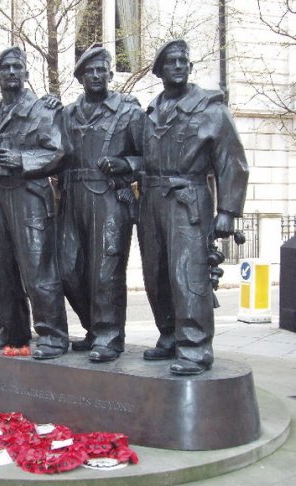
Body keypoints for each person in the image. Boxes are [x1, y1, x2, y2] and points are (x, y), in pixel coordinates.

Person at [140, 40, 249, 375]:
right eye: (170, 61)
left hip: (188, 199)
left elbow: (233, 162)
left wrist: (227, 212)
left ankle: (196, 347)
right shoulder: (152, 110)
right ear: (158, 71)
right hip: (152, 198)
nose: (178, 66)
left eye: (183, 61)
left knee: (188, 274)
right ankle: (170, 336)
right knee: (156, 273)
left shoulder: (211, 109)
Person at [0, 46, 69, 359]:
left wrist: (20, 159)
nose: (12, 73)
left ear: (26, 74)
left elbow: (58, 152)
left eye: (17, 68)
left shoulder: (43, 110)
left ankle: (53, 336)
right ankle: (13, 332)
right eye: (6, 69)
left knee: (37, 270)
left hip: (28, 195)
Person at [58, 47, 144, 363]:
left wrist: (125, 164)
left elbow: (150, 158)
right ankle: (94, 328)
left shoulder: (129, 113)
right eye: (90, 71)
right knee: (67, 269)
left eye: (102, 70)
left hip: (108, 198)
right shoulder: (66, 114)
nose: (96, 75)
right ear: (80, 78)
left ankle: (109, 337)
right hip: (71, 197)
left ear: (110, 74)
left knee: (106, 271)